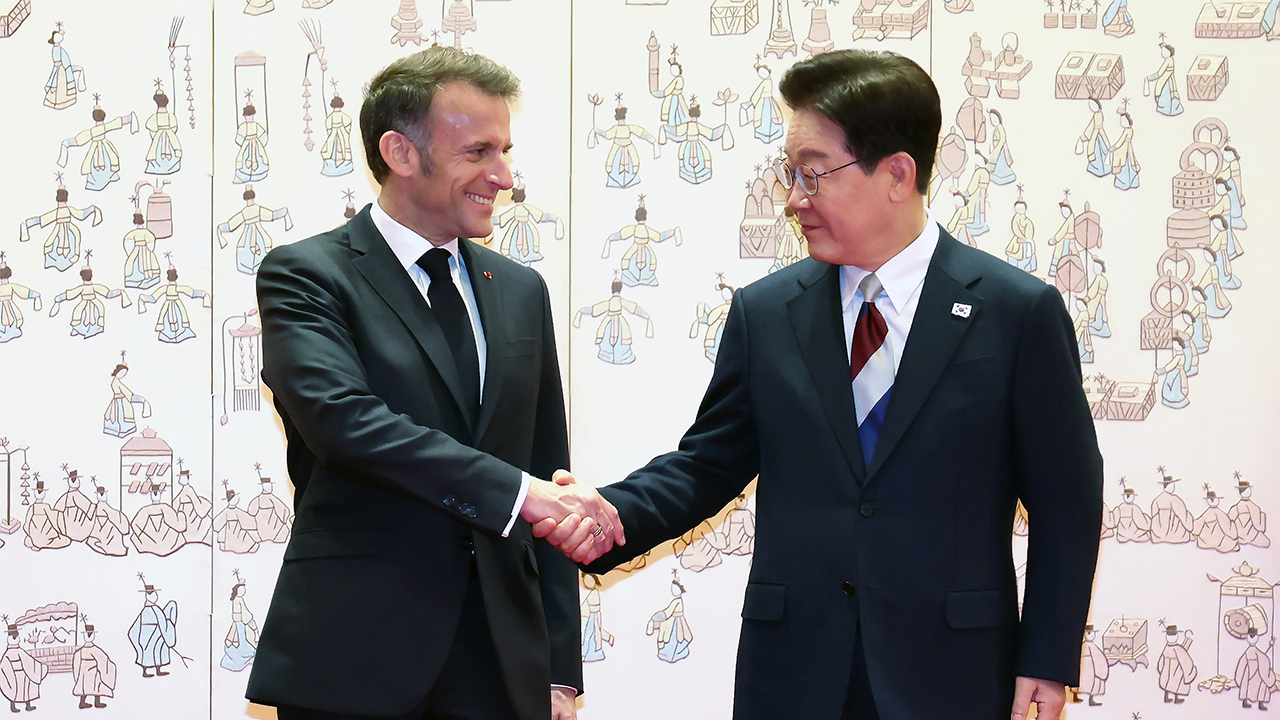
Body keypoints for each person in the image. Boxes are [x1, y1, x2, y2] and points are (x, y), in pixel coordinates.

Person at [555, 49, 1104, 720]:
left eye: (813, 175)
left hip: (953, 672)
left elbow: (1067, 501)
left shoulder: (1015, 313)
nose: (794, 199)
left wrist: (1045, 658)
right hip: (795, 673)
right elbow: (708, 465)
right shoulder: (766, 314)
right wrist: (610, 515)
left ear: (897, 174)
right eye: (791, 174)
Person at [245, 46, 621, 720]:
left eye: (504, 151)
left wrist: (559, 670)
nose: (503, 176)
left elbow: (548, 467)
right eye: (479, 152)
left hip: (501, 669)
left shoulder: (520, 290)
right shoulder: (306, 275)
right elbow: (345, 424)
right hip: (355, 661)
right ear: (400, 152)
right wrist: (518, 494)